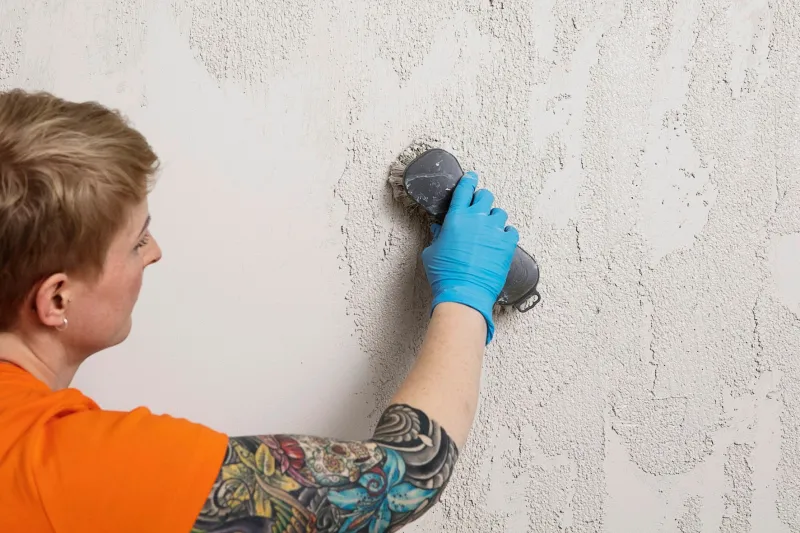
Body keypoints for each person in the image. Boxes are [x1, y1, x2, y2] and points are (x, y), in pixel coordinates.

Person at [0, 89, 519, 533]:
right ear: (57, 299)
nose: (154, 252)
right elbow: (405, 477)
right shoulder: (71, 467)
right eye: (137, 241)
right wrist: (467, 292)